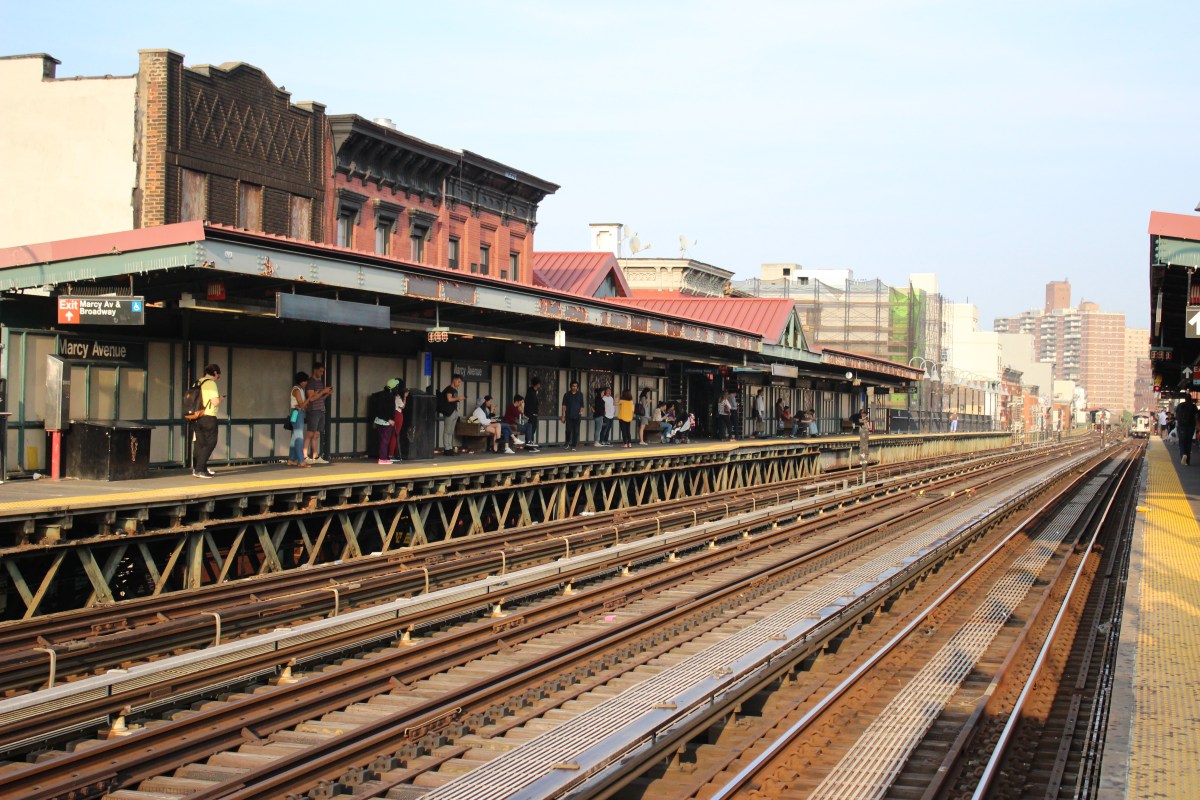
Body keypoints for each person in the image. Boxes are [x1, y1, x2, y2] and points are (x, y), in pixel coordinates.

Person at [191, 364, 221, 478]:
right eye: (218, 376)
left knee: (200, 443)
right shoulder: (211, 383)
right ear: (215, 373)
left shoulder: (197, 382)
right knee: (210, 443)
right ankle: (200, 469)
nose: (218, 378)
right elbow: (215, 402)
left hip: (196, 417)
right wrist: (220, 398)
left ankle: (198, 469)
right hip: (208, 417)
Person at [304, 362, 333, 464]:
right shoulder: (311, 382)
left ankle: (315, 456)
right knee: (310, 433)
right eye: (320, 371)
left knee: (316, 434)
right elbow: (311, 398)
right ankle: (305, 456)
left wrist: (327, 394)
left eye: (322, 372)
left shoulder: (320, 382)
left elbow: (320, 397)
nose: (321, 373)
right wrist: (323, 391)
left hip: (321, 409)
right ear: (315, 370)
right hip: (313, 410)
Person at [372, 378, 400, 464]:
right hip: (386, 422)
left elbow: (378, 409)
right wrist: (389, 419)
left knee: (382, 440)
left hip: (379, 420)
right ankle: (382, 458)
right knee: (385, 441)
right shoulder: (389, 397)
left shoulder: (381, 395)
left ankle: (383, 457)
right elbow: (385, 410)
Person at [288, 372, 312, 467]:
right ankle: (301, 461)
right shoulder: (297, 390)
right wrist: (309, 399)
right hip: (297, 412)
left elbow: (301, 405)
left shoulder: (300, 389)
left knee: (295, 436)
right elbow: (302, 405)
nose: (306, 383)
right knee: (299, 437)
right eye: (305, 381)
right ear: (300, 381)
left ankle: (291, 459)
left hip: (295, 412)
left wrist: (303, 404)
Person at [438, 374, 465, 455]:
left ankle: (450, 447)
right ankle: (447, 448)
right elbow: (449, 399)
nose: (459, 384)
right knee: (447, 430)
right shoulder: (449, 389)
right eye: (458, 382)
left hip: (454, 411)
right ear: (454, 380)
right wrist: (458, 398)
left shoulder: (454, 390)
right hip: (449, 411)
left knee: (451, 430)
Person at [561, 381, 584, 451]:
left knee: (576, 431)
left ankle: (574, 445)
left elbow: (582, 405)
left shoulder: (580, 394)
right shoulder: (566, 394)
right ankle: (567, 442)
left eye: (576, 386)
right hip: (568, 415)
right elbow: (564, 406)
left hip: (577, 415)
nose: (574, 387)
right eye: (573, 386)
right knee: (568, 430)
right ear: (571, 386)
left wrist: (581, 412)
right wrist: (563, 416)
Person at [1176, 395, 1197, 465]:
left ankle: (1183, 454)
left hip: (1181, 426)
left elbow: (1177, 415)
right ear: (1191, 399)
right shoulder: (1193, 406)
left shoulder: (1180, 405)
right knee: (1188, 442)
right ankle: (1187, 461)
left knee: (1182, 442)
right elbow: (1196, 416)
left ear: (1185, 399)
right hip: (1191, 426)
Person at [525, 377, 542, 449]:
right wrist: (531, 413)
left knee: (533, 429)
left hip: (534, 414)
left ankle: (530, 443)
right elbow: (528, 404)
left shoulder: (534, 392)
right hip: (531, 414)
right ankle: (529, 444)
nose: (540, 386)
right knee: (531, 429)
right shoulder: (530, 392)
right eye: (539, 384)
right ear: (537, 384)